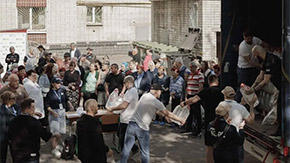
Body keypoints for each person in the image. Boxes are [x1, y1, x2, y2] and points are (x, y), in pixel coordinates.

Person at [120, 83, 186, 163]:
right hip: (142, 128)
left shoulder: (144, 96)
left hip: (131, 124)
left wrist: (165, 117)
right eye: (160, 91)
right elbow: (168, 113)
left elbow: (155, 110)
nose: (161, 93)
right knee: (144, 152)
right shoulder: (156, 102)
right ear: (156, 92)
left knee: (126, 148)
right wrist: (180, 119)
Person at [180, 74, 224, 163]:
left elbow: (194, 99)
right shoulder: (221, 92)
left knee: (209, 147)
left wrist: (185, 103)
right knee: (221, 146)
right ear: (217, 81)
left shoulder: (205, 91)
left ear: (209, 81)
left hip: (209, 122)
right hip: (221, 121)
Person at [247, 45, 281, 136]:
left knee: (281, 109)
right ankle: (280, 130)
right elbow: (260, 76)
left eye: (254, 55)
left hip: (284, 87)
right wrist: (252, 86)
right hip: (279, 87)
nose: (254, 57)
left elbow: (266, 80)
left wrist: (254, 90)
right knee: (279, 108)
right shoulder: (266, 60)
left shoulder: (271, 61)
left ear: (257, 53)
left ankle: (281, 131)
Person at [8, 98, 52, 163]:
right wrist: (46, 126)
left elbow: (9, 136)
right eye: (33, 107)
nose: (34, 110)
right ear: (27, 109)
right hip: (31, 154)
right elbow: (46, 136)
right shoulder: (34, 122)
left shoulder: (13, 121)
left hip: (17, 154)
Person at [220, 86, 256, 163]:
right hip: (236, 137)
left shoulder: (221, 105)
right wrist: (251, 106)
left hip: (223, 137)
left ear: (224, 95)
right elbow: (251, 120)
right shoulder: (241, 108)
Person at [107, 76, 139, 152]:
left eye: (124, 83)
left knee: (123, 139)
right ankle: (133, 149)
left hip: (127, 119)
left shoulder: (131, 91)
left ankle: (126, 155)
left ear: (128, 82)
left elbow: (124, 105)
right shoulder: (130, 91)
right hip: (125, 118)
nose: (124, 85)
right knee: (120, 135)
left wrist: (113, 108)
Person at [236, 29, 268, 102]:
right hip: (243, 68)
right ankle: (238, 103)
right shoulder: (243, 47)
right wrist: (260, 65)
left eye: (249, 38)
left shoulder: (256, 40)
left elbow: (264, 44)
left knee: (252, 84)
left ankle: (252, 104)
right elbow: (249, 61)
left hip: (253, 68)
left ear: (252, 37)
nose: (248, 40)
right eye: (246, 39)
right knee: (242, 87)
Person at [46, 77, 68, 158]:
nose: (59, 84)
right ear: (53, 84)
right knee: (55, 133)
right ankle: (53, 148)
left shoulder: (62, 91)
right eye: (57, 83)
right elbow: (47, 105)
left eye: (60, 83)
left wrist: (69, 105)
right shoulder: (50, 93)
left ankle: (57, 145)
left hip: (62, 111)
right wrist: (52, 112)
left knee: (61, 131)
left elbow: (65, 100)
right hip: (54, 112)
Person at [182, 61, 204, 136]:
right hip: (189, 95)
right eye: (190, 67)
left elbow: (200, 87)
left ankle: (198, 131)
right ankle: (189, 129)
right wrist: (186, 96)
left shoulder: (200, 75)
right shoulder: (190, 75)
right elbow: (187, 86)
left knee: (197, 114)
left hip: (195, 96)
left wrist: (197, 96)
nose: (191, 69)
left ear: (196, 67)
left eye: (192, 67)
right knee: (189, 113)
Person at [0, 91, 20, 163]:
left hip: (16, 135)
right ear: (7, 100)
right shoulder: (1, 110)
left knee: (16, 154)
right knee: (3, 154)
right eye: (13, 98)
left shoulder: (16, 107)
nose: (15, 100)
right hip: (5, 135)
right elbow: (3, 125)